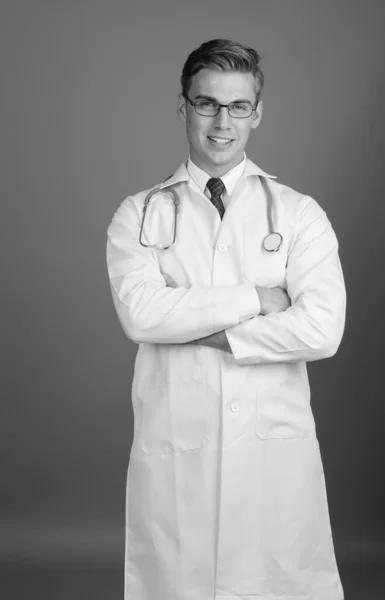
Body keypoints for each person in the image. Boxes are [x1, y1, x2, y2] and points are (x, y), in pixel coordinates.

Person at [106, 38, 346, 600]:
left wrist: (208, 332)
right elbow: (141, 316)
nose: (222, 121)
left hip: (271, 453)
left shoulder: (298, 213)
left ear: (257, 113)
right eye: (206, 103)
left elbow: (322, 328)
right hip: (178, 445)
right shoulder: (139, 213)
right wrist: (257, 297)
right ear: (183, 107)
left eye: (238, 106)